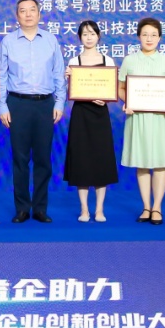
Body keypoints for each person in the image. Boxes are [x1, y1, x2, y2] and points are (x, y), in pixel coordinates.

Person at [0, 0, 65, 224]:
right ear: (16, 16)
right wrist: (2, 105)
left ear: (39, 14)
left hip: (45, 104)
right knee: (20, 159)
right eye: (23, 11)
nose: (28, 14)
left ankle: (40, 208)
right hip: (18, 103)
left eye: (32, 10)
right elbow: (1, 76)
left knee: (43, 159)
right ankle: (22, 208)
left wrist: (59, 102)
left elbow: (58, 73)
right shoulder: (8, 41)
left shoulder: (50, 40)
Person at [117, 17, 165, 226]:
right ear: (138, 37)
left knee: (160, 163)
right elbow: (120, 88)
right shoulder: (129, 60)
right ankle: (146, 206)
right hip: (138, 117)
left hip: (161, 119)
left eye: (153, 35)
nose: (149, 39)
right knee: (142, 163)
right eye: (145, 35)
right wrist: (127, 102)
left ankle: (157, 207)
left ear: (160, 38)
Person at [63, 20, 119, 222]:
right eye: (85, 34)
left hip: (100, 114)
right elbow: (69, 90)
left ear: (98, 36)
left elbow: (112, 89)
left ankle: (100, 210)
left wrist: (105, 98)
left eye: (92, 34)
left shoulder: (107, 60)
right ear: (79, 37)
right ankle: (84, 209)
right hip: (81, 114)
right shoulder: (74, 61)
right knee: (82, 161)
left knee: (101, 160)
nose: (89, 37)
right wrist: (68, 78)